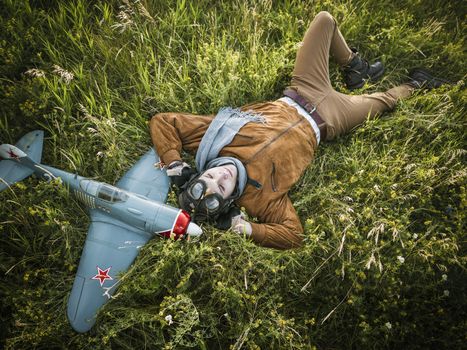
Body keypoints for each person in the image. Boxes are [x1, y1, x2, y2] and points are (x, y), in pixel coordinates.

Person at [149, 11, 448, 249]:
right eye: (222, 188)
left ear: (200, 172)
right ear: (229, 202)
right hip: (330, 119)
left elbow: (163, 122)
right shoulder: (260, 200)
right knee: (384, 101)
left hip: (302, 88)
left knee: (325, 20)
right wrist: (246, 228)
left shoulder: (211, 141)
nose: (221, 177)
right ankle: (417, 84)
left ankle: (356, 66)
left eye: (210, 177)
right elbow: (293, 235)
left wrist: (175, 165)